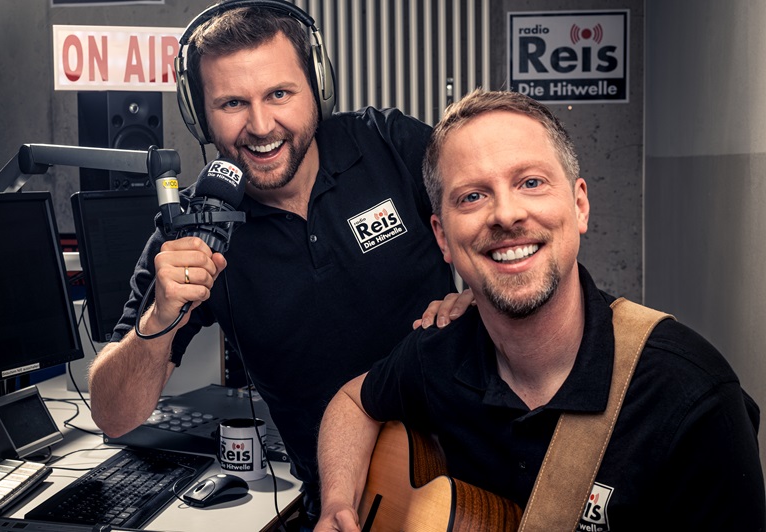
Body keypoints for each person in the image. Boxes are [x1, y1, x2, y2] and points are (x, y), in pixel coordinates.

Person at [87, 2, 471, 528]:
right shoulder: (193, 229)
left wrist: (478, 292)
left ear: (317, 87)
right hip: (345, 502)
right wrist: (159, 317)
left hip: (471, 468)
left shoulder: (391, 144)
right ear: (199, 113)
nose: (261, 125)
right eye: (231, 103)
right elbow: (113, 415)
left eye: (279, 94)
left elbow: (500, 219)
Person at [314, 88, 766, 531]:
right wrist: (337, 502)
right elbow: (353, 402)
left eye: (531, 182)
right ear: (442, 238)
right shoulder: (438, 354)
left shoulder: (693, 397)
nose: (506, 215)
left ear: (579, 205)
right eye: (472, 196)